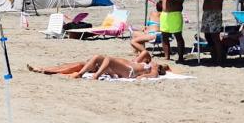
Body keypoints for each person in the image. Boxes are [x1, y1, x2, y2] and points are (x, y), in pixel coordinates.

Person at [28, 53, 169, 80]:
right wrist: (146, 59)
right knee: (88, 61)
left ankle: (94, 76)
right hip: (117, 69)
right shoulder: (143, 62)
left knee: (106, 58)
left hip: (128, 72)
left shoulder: (154, 67)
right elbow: (145, 52)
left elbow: (154, 75)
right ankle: (46, 70)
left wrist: (144, 76)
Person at [201, 0, 225, 64]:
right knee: (207, 36)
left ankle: (219, 58)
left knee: (215, 36)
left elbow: (219, 0)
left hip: (215, 13)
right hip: (206, 13)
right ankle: (213, 55)